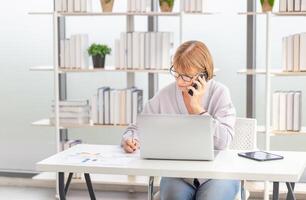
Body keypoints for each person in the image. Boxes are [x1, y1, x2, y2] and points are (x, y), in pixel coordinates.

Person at [121, 40, 240, 200]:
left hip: (217, 175)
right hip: (178, 175)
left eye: (186, 76)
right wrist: (130, 139)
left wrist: (197, 109)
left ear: (203, 75)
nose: (179, 82)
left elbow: (223, 141)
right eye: (176, 73)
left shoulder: (219, 93)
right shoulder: (166, 94)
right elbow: (138, 127)